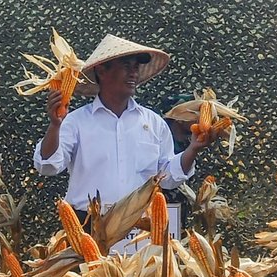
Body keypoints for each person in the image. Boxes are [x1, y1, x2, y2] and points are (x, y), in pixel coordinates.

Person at [34, 35, 213, 226]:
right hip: (88, 225)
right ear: (102, 71)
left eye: (136, 67)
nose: (133, 73)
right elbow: (48, 166)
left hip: (139, 227)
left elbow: (168, 177)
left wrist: (193, 149)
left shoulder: (154, 122)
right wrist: (54, 125)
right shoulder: (76, 122)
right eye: (127, 66)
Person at [157, 92, 196, 231]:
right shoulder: (162, 144)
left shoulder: (191, 143)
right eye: (194, 114)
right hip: (159, 216)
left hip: (181, 217)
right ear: (180, 118)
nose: (198, 119)